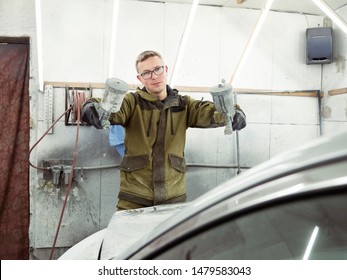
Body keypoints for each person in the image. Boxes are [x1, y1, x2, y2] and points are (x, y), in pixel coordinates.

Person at [82, 50, 246, 210]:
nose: (154, 76)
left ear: (165, 69)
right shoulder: (132, 103)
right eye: (146, 73)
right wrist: (90, 105)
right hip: (134, 200)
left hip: (173, 201)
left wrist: (235, 112)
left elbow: (211, 113)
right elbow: (109, 107)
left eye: (157, 69)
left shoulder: (184, 105)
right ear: (140, 78)